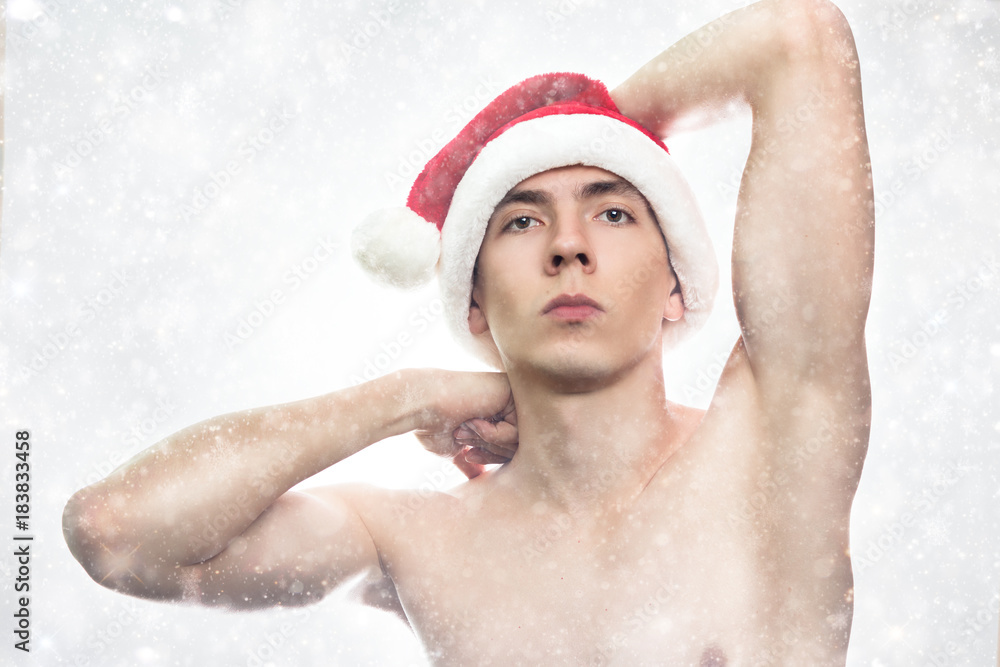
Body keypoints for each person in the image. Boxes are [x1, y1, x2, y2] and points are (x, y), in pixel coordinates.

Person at [62, 0, 874, 663]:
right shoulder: (421, 542)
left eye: (615, 209)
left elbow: (794, 39)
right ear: (475, 303)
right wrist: (405, 398)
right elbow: (118, 532)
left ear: (676, 284)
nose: (568, 243)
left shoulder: (771, 449)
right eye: (521, 218)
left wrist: (576, 118)